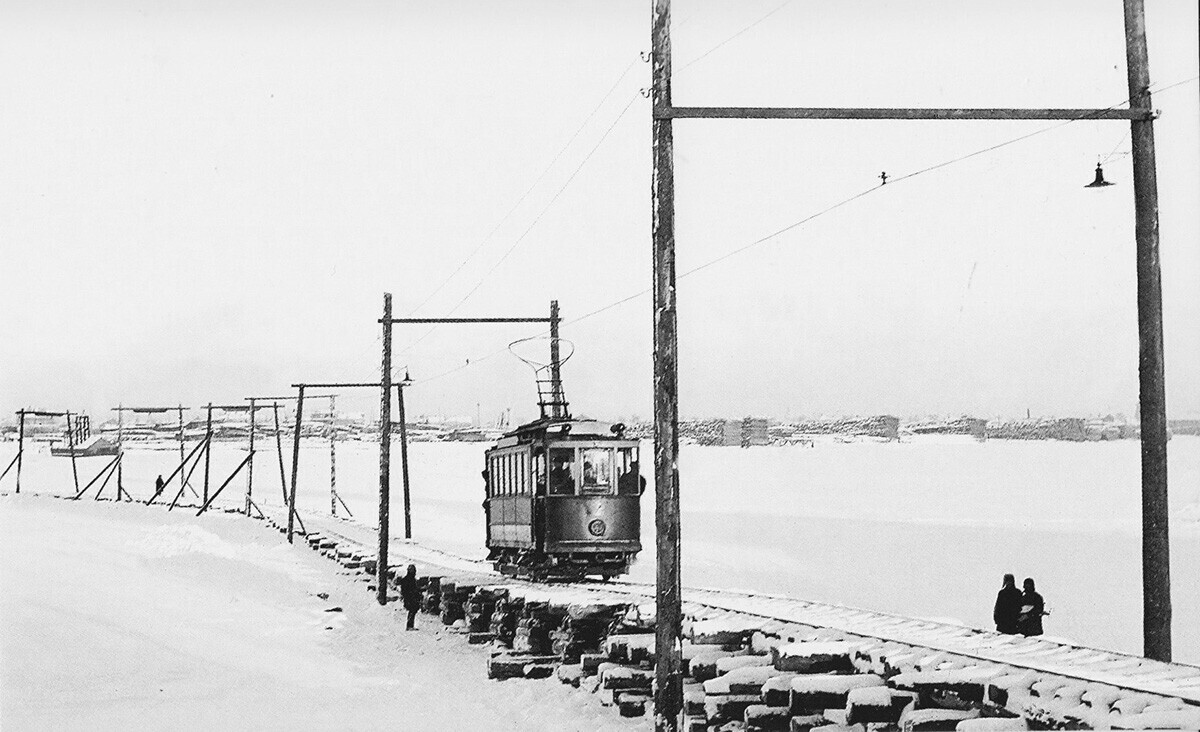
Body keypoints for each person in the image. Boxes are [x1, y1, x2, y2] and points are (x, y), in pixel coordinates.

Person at [399, 564, 421, 631]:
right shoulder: (408, 579)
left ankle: (410, 625)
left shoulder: (409, 579)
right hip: (410, 598)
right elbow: (405, 591)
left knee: (413, 611)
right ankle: (409, 626)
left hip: (411, 598)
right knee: (412, 611)